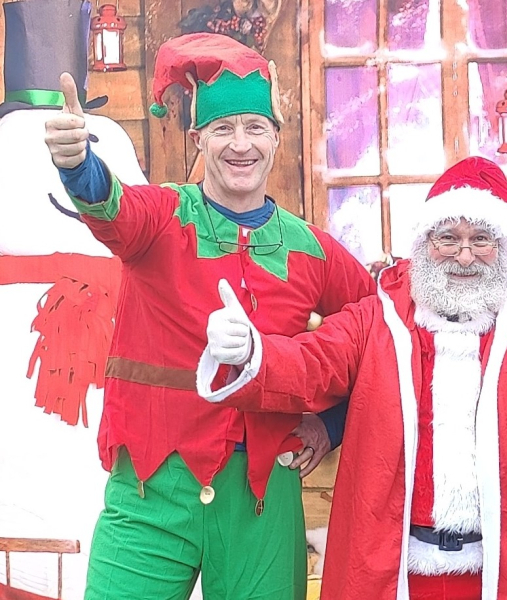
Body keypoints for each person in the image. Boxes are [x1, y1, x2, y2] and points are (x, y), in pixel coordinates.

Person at [196, 156, 507, 600]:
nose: (464, 256)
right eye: (448, 238)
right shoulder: (375, 319)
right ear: (425, 244)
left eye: (481, 239)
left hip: (505, 568)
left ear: (503, 247)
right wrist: (250, 351)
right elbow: (310, 363)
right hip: (398, 569)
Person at [43, 33, 374, 599]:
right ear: (197, 138)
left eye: (254, 127)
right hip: (151, 488)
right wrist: (78, 166)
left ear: (276, 137)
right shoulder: (164, 215)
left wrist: (331, 423)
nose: (239, 144)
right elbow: (112, 206)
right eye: (222, 129)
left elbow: (376, 332)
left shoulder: (312, 249)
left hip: (262, 494)